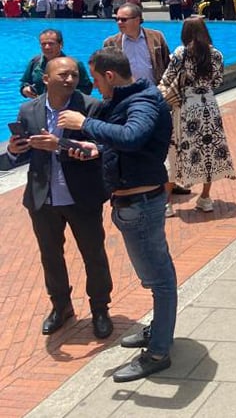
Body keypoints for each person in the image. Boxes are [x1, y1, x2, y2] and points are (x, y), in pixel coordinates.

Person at [58, 48, 175, 383]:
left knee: (160, 279)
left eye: (95, 80)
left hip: (141, 204)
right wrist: (98, 148)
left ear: (110, 76)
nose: (94, 88)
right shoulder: (129, 100)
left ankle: (158, 352)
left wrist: (86, 124)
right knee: (155, 277)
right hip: (133, 203)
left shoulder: (142, 101)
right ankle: (159, 331)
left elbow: (133, 136)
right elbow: (124, 144)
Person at [3, 56, 114, 339]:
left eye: (74, 75)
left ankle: (100, 308)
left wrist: (62, 145)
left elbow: (105, 146)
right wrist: (15, 151)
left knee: (94, 255)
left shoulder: (90, 107)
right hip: (43, 198)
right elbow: (21, 155)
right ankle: (61, 307)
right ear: (45, 79)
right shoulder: (29, 110)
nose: (69, 79)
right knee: (51, 257)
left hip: (81, 197)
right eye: (63, 74)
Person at [157, 18, 236, 215]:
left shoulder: (180, 53)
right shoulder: (216, 54)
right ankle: (205, 198)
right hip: (208, 105)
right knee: (208, 149)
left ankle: (167, 203)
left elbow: (166, 79)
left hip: (185, 106)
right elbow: (218, 81)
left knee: (176, 150)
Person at [103, 3, 171, 87]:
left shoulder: (156, 37)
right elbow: (105, 74)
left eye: (124, 19)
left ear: (137, 20)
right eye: (117, 19)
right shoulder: (110, 43)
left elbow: (168, 67)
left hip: (154, 92)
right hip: (125, 95)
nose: (119, 23)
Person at [20, 29, 93, 98]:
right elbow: (24, 82)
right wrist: (25, 89)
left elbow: (87, 89)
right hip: (40, 107)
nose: (47, 47)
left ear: (61, 44)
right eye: (43, 44)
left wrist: (66, 94)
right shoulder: (35, 62)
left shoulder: (75, 64)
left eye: (51, 43)